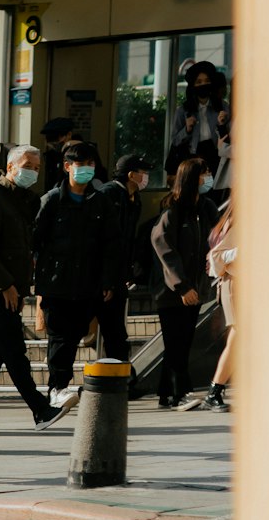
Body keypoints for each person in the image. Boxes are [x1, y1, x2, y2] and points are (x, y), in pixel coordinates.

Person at [0, 145, 71, 433]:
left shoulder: (24, 200)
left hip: (14, 288)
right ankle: (40, 409)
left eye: (36, 167)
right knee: (14, 349)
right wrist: (5, 284)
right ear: (10, 167)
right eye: (27, 165)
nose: (32, 171)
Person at [33, 141, 120, 405]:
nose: (86, 169)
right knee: (60, 337)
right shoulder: (50, 201)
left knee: (74, 335)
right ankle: (57, 387)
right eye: (81, 164)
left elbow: (110, 243)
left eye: (91, 164)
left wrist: (107, 280)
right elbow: (35, 240)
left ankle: (61, 386)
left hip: (87, 283)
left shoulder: (100, 202)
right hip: (56, 283)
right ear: (67, 167)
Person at [151, 157, 218, 408]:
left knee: (183, 341)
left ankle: (166, 394)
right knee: (175, 341)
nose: (208, 178)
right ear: (191, 178)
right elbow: (165, 249)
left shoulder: (206, 207)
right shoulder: (173, 210)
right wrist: (182, 286)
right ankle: (181, 392)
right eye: (204, 173)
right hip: (171, 290)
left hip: (196, 287)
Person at [181, 199, 235, 413]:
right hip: (235, 283)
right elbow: (218, 255)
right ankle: (214, 391)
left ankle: (216, 391)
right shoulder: (238, 221)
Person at [98, 152, 151, 364]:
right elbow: (104, 239)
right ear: (131, 175)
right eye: (143, 173)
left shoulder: (134, 199)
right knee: (112, 328)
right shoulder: (109, 194)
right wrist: (106, 278)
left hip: (119, 274)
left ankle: (119, 372)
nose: (146, 177)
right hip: (103, 275)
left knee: (116, 330)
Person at [167, 60, 230, 178]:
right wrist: (187, 130)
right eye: (199, 82)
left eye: (207, 81)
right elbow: (175, 140)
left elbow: (232, 135)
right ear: (193, 86)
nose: (203, 85)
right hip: (194, 158)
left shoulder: (223, 106)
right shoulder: (183, 110)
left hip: (217, 156)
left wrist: (223, 125)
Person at [41, 116, 75, 192]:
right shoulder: (51, 156)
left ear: (69, 135)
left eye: (55, 138)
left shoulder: (83, 153)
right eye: (49, 139)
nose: (52, 143)